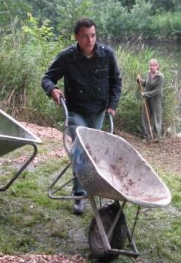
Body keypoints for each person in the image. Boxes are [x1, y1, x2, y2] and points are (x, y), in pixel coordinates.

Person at [41, 17, 122, 214]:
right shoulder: (67, 57)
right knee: (82, 149)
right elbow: (47, 78)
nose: (90, 40)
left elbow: (116, 82)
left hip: (97, 111)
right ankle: (79, 194)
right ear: (77, 36)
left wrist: (112, 105)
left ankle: (93, 187)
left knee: (93, 152)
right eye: (85, 36)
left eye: (93, 35)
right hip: (75, 111)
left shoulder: (107, 55)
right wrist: (53, 90)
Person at [137, 58, 164, 142]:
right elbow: (145, 84)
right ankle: (147, 136)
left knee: (156, 117)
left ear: (157, 66)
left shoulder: (160, 76)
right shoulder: (148, 73)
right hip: (147, 99)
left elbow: (158, 91)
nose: (151, 67)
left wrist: (145, 94)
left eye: (153, 65)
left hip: (156, 99)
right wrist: (139, 81)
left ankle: (156, 137)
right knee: (145, 117)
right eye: (150, 65)